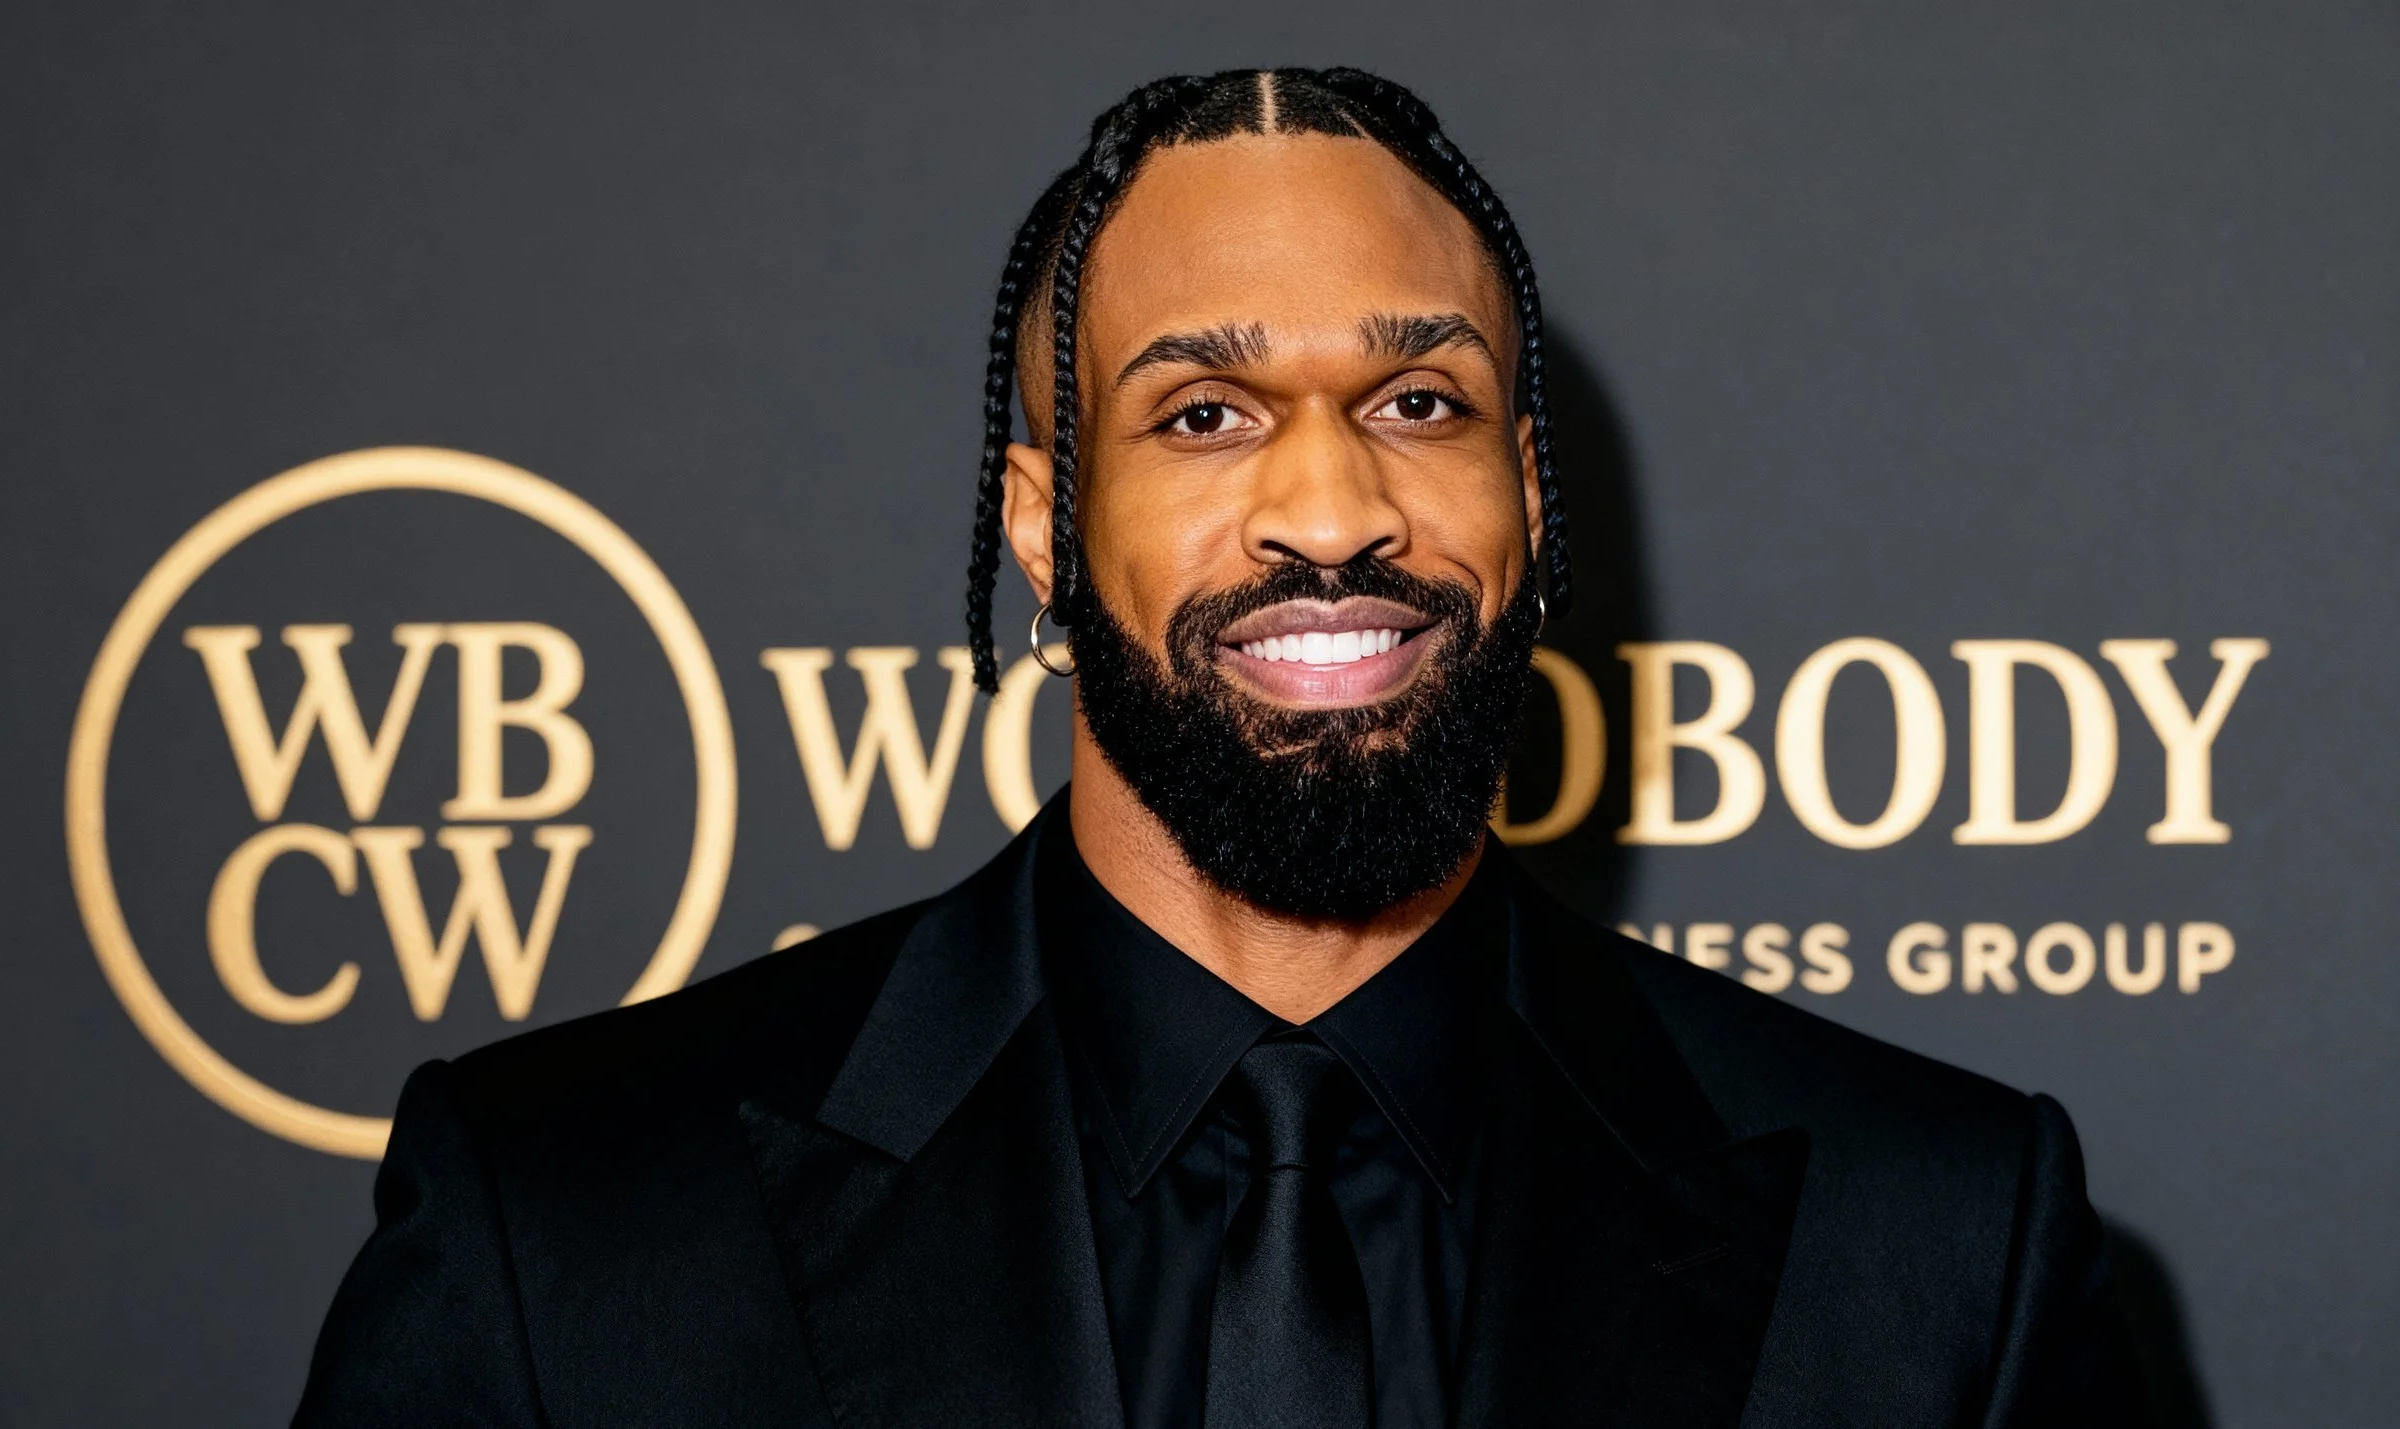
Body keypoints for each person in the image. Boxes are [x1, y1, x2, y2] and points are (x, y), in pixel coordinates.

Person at [294, 68, 2147, 1427]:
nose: (1330, 508)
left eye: (1421, 402)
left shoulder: (1939, 1243)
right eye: (1202, 411)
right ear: (1039, 526)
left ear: (1527, 500)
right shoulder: (570, 1228)